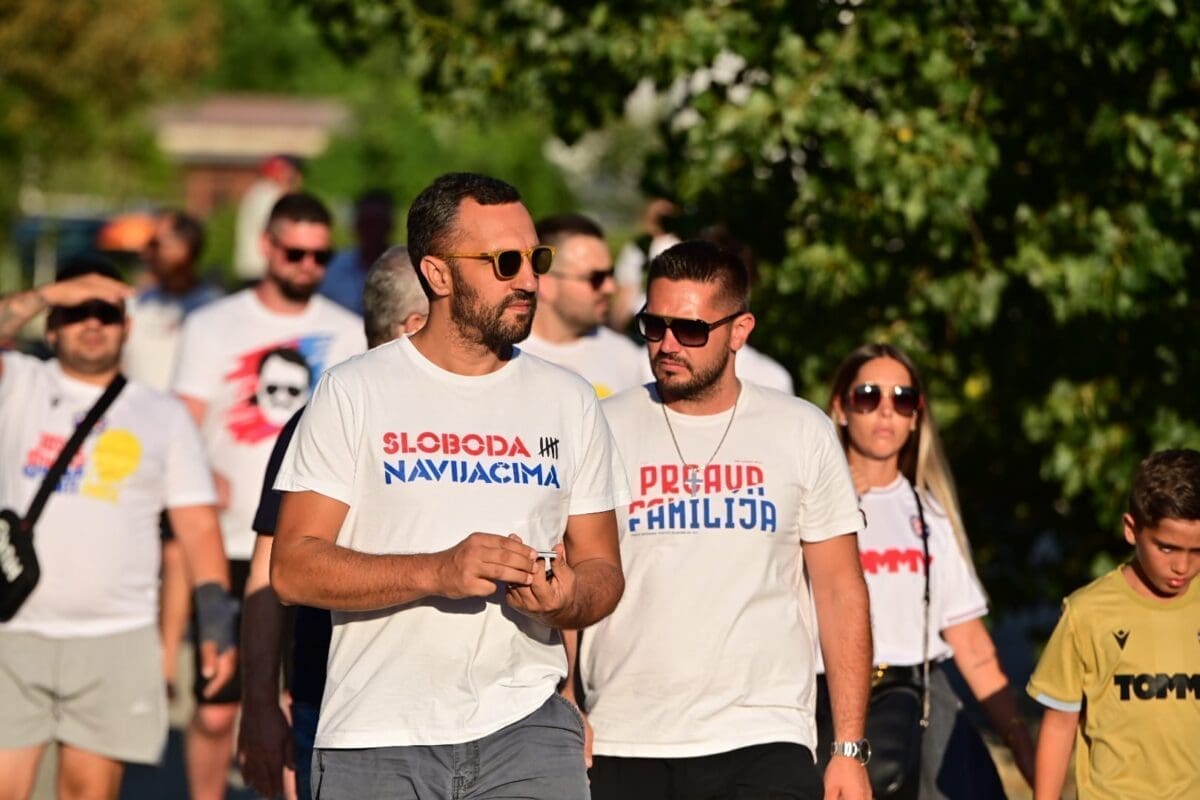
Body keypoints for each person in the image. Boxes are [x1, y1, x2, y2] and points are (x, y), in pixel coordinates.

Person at [270, 172, 627, 799]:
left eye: (536, 259)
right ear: (437, 274)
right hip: (377, 733)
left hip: (527, 726)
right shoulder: (354, 391)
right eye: (505, 262)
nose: (529, 281)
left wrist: (565, 598)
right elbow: (293, 569)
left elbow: (603, 571)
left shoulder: (568, 400)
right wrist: (436, 570)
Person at [579, 240, 873, 800]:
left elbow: (840, 590)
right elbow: (574, 573)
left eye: (690, 330)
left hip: (764, 735)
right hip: (624, 735)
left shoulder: (800, 430)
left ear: (740, 331)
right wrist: (568, 702)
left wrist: (849, 747)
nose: (667, 345)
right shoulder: (601, 425)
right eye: (654, 326)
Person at [0, 256, 237, 800]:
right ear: (52, 325)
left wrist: (217, 625)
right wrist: (48, 293)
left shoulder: (161, 413)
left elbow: (198, 527)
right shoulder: (17, 383)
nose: (92, 322)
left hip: (115, 639)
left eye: (105, 312)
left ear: (127, 327)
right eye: (76, 310)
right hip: (14, 632)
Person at [173, 192, 365, 800]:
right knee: (215, 707)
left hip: (312, 544)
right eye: (294, 252)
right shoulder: (212, 325)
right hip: (230, 540)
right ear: (266, 245)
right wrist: (204, 473)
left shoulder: (348, 331)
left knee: (296, 704)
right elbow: (180, 425)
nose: (307, 265)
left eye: (320, 255)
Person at [237, 246, 429, 800]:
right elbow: (266, 575)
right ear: (414, 325)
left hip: (464, 714)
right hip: (335, 705)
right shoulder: (323, 416)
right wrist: (259, 708)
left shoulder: (478, 419)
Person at [818, 343, 1035, 797]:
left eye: (903, 399)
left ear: (916, 417)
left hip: (915, 699)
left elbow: (970, 643)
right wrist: (833, 492)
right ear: (840, 407)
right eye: (868, 396)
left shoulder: (930, 513)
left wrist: (1020, 740)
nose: (886, 410)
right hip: (824, 701)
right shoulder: (809, 501)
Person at [1028, 448, 1200, 800]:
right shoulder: (1087, 613)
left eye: (1197, 551)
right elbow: (1059, 724)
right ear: (1132, 530)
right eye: (1167, 548)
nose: (1182, 567)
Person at [121, 209, 225, 699]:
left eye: (157, 244)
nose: (148, 253)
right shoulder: (136, 305)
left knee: (177, 552)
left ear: (188, 249)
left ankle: (164, 666)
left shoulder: (212, 310)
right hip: (129, 451)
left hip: (189, 449)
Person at [519, 213, 649, 398]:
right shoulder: (501, 357)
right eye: (595, 278)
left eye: (610, 274)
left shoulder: (627, 358)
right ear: (545, 282)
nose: (610, 287)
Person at [318, 189, 396, 315]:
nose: (372, 230)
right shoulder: (333, 268)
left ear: (390, 225)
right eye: (367, 222)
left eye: (378, 222)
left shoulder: (409, 269)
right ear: (356, 225)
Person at [234, 155, 304, 284]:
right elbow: (280, 229)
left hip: (257, 268)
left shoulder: (260, 191)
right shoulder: (268, 194)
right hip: (261, 269)